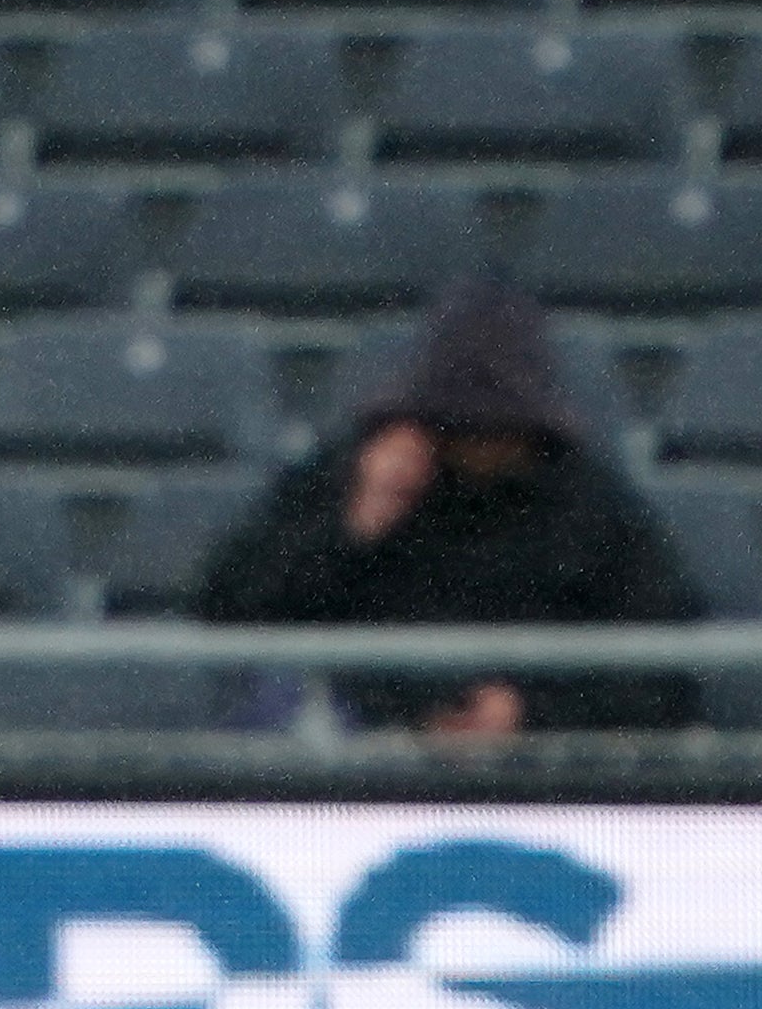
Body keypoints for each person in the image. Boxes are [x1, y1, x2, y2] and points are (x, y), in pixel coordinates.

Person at [194, 273, 703, 739]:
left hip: (543, 774)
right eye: (463, 427)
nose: (482, 445)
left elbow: (663, 672)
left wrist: (530, 713)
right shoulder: (352, 474)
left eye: (499, 429)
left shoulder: (590, 505)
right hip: (361, 757)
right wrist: (353, 525)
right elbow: (227, 606)